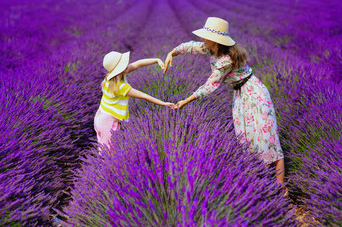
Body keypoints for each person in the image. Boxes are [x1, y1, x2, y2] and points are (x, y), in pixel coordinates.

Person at [163, 17, 287, 196]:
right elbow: (189, 46)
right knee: (247, 139)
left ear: (216, 40)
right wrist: (172, 53)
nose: (203, 39)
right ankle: (261, 183)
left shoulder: (225, 60)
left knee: (268, 138)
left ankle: (281, 188)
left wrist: (185, 100)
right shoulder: (210, 48)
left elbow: (209, 86)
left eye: (206, 36)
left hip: (254, 95)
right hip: (241, 95)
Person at [94, 51, 175, 147]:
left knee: (104, 147)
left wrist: (156, 60)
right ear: (119, 69)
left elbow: (138, 64)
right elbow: (144, 96)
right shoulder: (119, 86)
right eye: (123, 64)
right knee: (109, 151)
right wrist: (164, 103)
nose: (127, 64)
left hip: (101, 115)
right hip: (108, 121)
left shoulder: (111, 76)